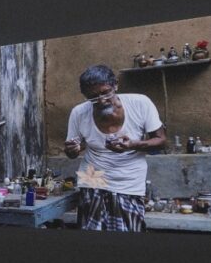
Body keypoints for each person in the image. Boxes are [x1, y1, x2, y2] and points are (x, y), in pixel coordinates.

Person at [63, 64, 166, 231]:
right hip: (92, 181)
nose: (102, 100)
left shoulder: (140, 103)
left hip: (129, 183)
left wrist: (133, 145)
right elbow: (72, 151)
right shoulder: (79, 113)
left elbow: (161, 140)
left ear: (115, 85)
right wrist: (72, 150)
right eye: (93, 97)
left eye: (106, 92)